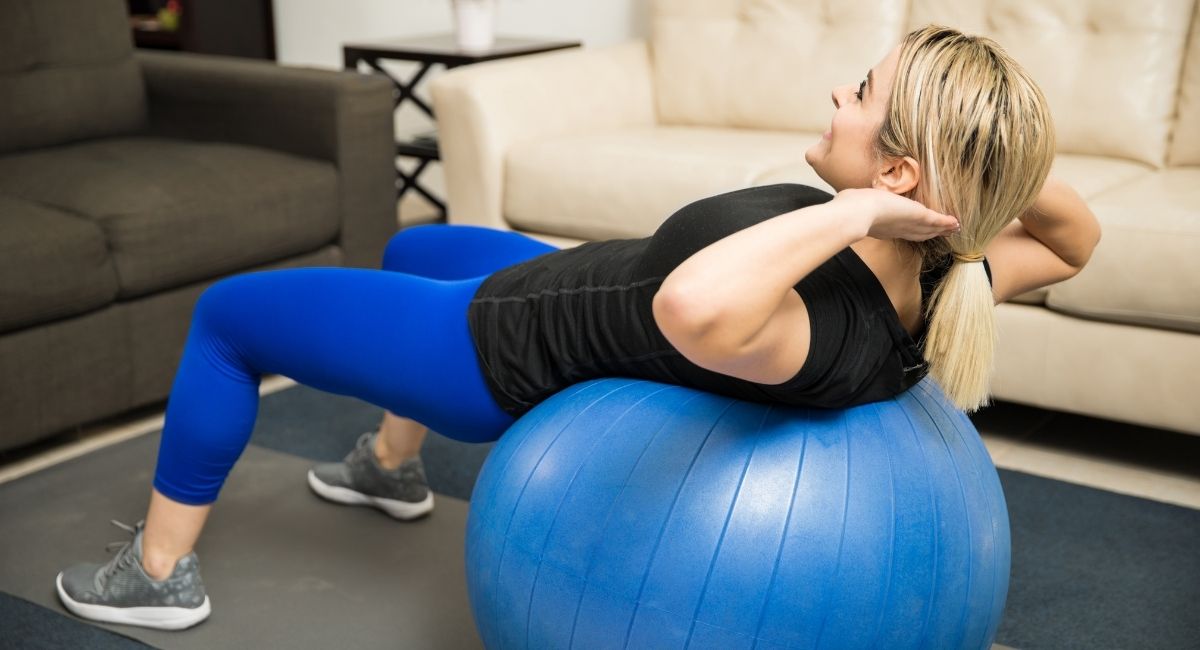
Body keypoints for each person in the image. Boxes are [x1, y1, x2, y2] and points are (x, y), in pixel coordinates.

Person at [55, 25, 1100, 630]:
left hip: (492, 349)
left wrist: (856, 204)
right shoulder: (936, 274)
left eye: (863, 92)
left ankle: (155, 575)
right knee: (413, 247)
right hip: (562, 281)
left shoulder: (812, 327)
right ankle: (386, 464)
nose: (839, 90)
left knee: (228, 316)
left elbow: (688, 305)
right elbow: (1075, 238)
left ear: (897, 176)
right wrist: (980, 158)